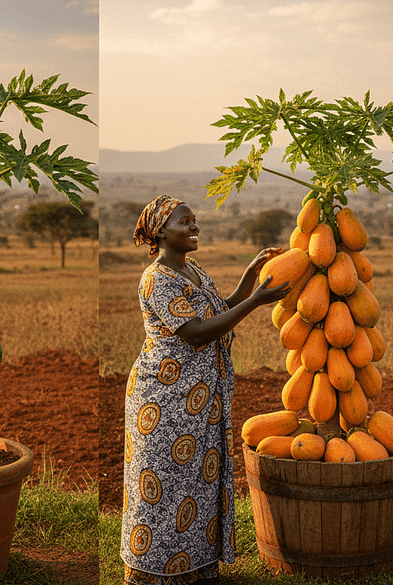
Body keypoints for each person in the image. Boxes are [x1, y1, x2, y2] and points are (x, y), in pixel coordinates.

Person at [121, 195, 290, 584]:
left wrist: (251, 275)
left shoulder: (191, 269)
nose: (195, 227)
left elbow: (220, 309)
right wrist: (258, 301)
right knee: (162, 482)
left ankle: (195, 568)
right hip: (164, 399)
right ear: (161, 231)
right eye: (185, 222)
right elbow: (196, 333)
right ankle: (153, 571)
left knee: (198, 479)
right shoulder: (156, 278)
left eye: (195, 220)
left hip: (199, 398)